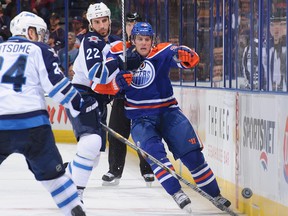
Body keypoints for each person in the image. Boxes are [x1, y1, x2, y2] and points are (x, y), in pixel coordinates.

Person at [97, 22, 232, 213]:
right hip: (141, 119)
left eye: (147, 39)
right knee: (156, 157)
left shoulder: (162, 52)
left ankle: (215, 194)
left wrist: (187, 55)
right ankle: (176, 192)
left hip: (169, 113)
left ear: (152, 41)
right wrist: (118, 84)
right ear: (132, 40)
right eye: (140, 39)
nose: (143, 43)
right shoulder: (120, 55)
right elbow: (102, 81)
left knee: (193, 156)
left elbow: (182, 58)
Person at [0, 11, 99, 216]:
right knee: (55, 180)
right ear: (28, 31)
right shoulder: (39, 50)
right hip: (33, 125)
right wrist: (79, 104)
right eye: (38, 32)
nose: (42, 37)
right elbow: (57, 87)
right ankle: (75, 211)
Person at [65, 2, 123, 203]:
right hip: (82, 94)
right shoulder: (91, 40)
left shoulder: (113, 41)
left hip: (98, 98)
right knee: (91, 143)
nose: (101, 26)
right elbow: (97, 74)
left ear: (109, 20)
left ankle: (64, 175)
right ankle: (75, 194)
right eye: (96, 22)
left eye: (104, 21)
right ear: (91, 23)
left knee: (95, 156)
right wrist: (118, 60)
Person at [102, 12, 154, 186]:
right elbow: (108, 70)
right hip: (121, 98)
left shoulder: (148, 46)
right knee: (116, 133)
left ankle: (148, 170)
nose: (131, 27)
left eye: (135, 23)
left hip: (143, 100)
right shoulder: (117, 47)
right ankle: (114, 170)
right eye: (129, 24)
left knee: (145, 134)